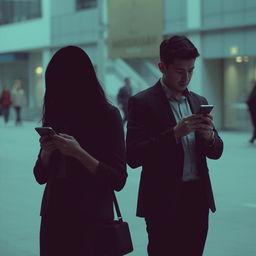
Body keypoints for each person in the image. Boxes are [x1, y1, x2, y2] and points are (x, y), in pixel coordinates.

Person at [126, 35, 224, 256]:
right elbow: (132, 156)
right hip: (162, 203)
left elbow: (217, 151)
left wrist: (209, 138)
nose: (186, 77)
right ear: (162, 67)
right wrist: (174, 134)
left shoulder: (199, 102)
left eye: (191, 70)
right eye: (180, 71)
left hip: (197, 200)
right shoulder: (142, 103)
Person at [33, 46, 127, 256]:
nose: (55, 91)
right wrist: (46, 154)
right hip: (54, 219)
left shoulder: (108, 116)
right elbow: (40, 176)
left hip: (92, 222)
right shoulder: (58, 114)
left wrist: (79, 153)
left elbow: (118, 179)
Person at [246, 79, 256, 144]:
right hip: (253, 110)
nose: (251, 85)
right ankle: (253, 138)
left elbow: (252, 99)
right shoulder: (253, 90)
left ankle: (253, 138)